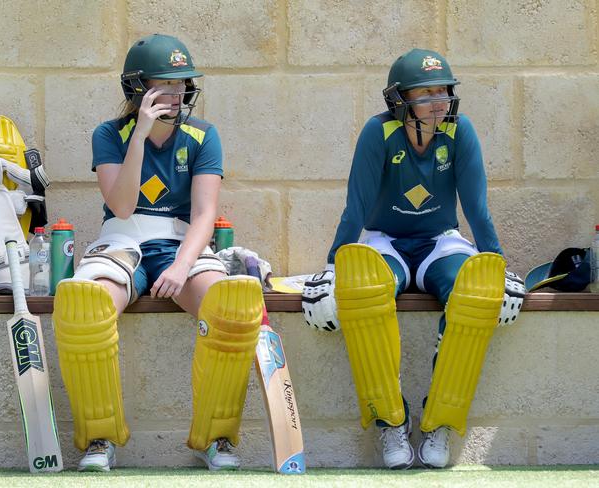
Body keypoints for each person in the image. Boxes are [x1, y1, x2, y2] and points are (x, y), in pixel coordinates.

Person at [301, 48, 524, 469]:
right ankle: (391, 421)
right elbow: (357, 204)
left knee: (474, 290)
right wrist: (334, 269)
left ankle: (440, 420)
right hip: (384, 241)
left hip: (440, 241)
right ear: (400, 100)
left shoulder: (460, 132)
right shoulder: (378, 132)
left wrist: (495, 263)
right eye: (427, 94)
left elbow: (476, 207)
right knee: (363, 289)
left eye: (444, 91)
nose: (440, 102)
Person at [52, 34, 263, 472]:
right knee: (84, 308)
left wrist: (184, 265)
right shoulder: (110, 133)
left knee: (229, 308)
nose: (176, 93)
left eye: (181, 82)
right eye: (163, 83)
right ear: (137, 88)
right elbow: (123, 205)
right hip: (122, 238)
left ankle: (215, 438)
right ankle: (99, 439)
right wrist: (141, 137)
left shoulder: (204, 134)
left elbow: (205, 214)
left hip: (180, 241)